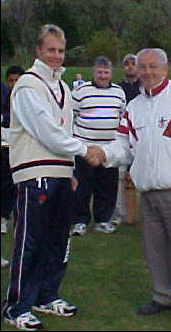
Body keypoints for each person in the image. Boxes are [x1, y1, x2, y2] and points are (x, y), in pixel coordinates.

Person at [91, 48, 171, 326]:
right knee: (154, 248)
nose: (147, 72)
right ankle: (162, 296)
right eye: (142, 67)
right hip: (147, 190)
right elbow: (124, 147)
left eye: (153, 67)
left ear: (165, 69)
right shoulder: (134, 106)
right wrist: (102, 153)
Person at [2, 24, 100, 331]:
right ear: (38, 51)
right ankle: (16, 306)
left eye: (60, 50)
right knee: (30, 242)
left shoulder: (64, 87)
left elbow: (64, 131)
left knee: (59, 240)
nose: (56, 56)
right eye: (50, 50)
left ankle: (46, 295)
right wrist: (85, 150)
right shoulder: (28, 85)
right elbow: (46, 130)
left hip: (59, 172)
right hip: (35, 173)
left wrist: (70, 168)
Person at [71, 56, 126, 236]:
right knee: (82, 188)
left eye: (106, 72)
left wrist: (112, 149)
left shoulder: (119, 92)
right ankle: (79, 221)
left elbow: (122, 118)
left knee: (107, 188)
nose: (103, 76)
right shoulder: (81, 91)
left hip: (109, 151)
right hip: (85, 149)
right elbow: (72, 117)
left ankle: (103, 220)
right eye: (100, 72)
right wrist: (79, 146)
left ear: (111, 73)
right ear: (93, 72)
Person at [110, 53, 140, 226]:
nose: (130, 66)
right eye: (126, 64)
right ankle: (119, 212)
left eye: (133, 63)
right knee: (120, 176)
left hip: (140, 136)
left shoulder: (143, 88)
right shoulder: (117, 89)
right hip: (122, 135)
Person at [1, 66, 24, 272]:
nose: (14, 85)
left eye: (18, 80)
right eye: (11, 81)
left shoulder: (28, 102)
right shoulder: (3, 99)